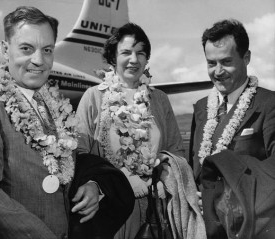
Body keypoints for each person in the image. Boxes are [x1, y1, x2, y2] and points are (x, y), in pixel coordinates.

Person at [0, 6, 134, 239]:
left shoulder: (54, 109)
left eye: (47, 50)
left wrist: (93, 185)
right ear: (5, 50)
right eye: (26, 48)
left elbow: (67, 165)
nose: (38, 60)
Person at [75, 22, 206, 239]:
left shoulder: (159, 99)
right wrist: (118, 179)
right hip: (109, 205)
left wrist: (165, 176)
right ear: (112, 57)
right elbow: (80, 153)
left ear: (147, 59)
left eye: (141, 53)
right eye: (126, 52)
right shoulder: (94, 96)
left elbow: (176, 152)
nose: (134, 60)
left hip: (154, 210)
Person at [189, 19, 275, 238]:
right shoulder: (201, 108)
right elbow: (196, 168)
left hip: (248, 226)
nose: (218, 71)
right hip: (203, 226)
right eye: (211, 63)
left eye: (226, 62)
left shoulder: (268, 104)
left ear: (246, 58)